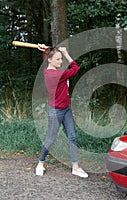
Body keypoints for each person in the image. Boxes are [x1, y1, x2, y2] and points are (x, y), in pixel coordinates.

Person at [35, 44, 88, 178]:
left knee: (72, 136)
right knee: (51, 137)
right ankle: (40, 163)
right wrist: (65, 53)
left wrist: (46, 50)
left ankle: (75, 167)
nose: (60, 61)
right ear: (50, 60)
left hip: (66, 109)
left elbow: (50, 55)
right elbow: (75, 68)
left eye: (61, 59)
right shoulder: (55, 75)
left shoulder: (51, 70)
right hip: (55, 111)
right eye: (58, 59)